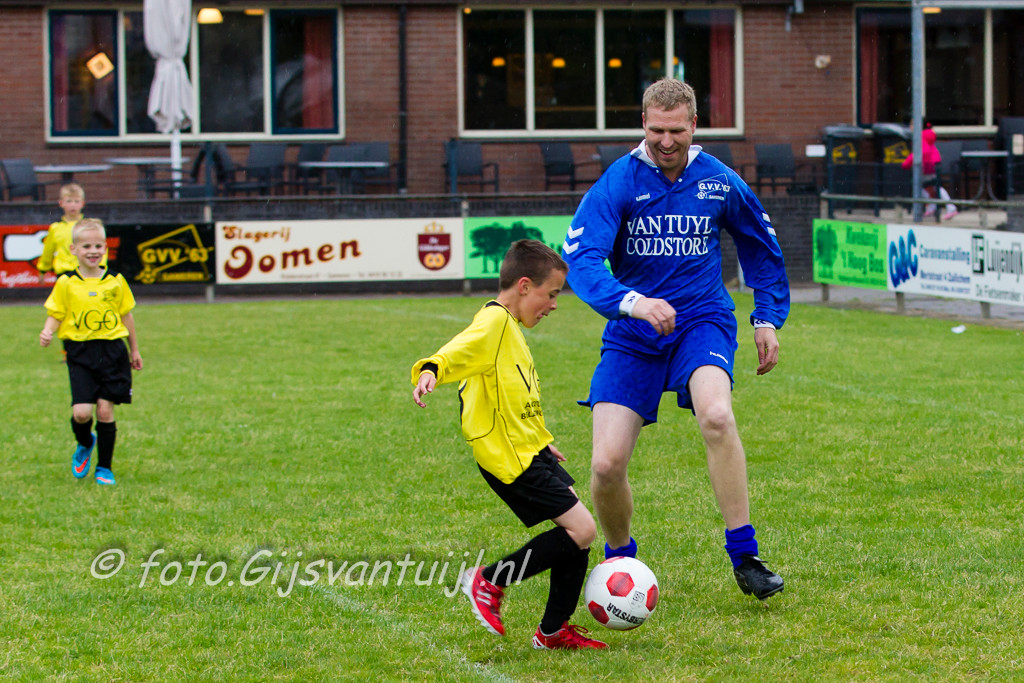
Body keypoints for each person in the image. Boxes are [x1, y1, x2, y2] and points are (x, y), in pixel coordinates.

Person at [562, 78, 789, 601]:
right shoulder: (619, 181)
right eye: (657, 130)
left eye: (677, 131)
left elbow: (761, 246)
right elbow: (583, 258)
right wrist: (631, 302)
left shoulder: (719, 180)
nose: (667, 142)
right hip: (633, 333)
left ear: (694, 126)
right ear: (644, 124)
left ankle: (745, 556)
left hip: (701, 321)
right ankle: (620, 563)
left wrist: (766, 317)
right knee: (605, 465)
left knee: (717, 415)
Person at [410, 239, 606, 650]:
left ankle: (552, 631)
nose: (554, 305)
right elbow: (460, 348)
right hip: (508, 456)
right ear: (524, 285)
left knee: (577, 531)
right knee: (582, 528)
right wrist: (431, 368)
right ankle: (488, 581)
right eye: (551, 294)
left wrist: (541, 442)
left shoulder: (510, 328)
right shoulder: (495, 322)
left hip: (529, 448)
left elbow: (514, 396)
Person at [39, 219, 143, 486]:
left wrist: (134, 350)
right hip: (80, 352)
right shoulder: (66, 282)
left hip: (113, 351)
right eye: (86, 246)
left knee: (105, 411)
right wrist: (48, 331)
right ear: (73, 249)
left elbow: (127, 316)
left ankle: (104, 468)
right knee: (82, 413)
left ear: (105, 248)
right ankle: (85, 442)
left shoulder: (115, 281)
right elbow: (56, 312)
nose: (93, 251)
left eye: (98, 246)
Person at [36, 183, 107, 285]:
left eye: (76, 201)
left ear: (82, 203)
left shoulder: (91, 227)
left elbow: (101, 248)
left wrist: (101, 267)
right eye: (69, 201)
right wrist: (42, 270)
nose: (73, 205)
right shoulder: (56, 228)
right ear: (61, 203)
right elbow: (48, 251)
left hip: (86, 273)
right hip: (64, 275)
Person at [902, 123, 957, 221]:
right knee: (931, 187)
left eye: (912, 125)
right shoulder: (925, 136)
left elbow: (921, 152)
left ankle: (948, 207)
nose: (910, 127)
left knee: (920, 186)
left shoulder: (920, 137)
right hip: (932, 164)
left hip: (928, 166)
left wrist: (907, 162)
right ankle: (935, 207)